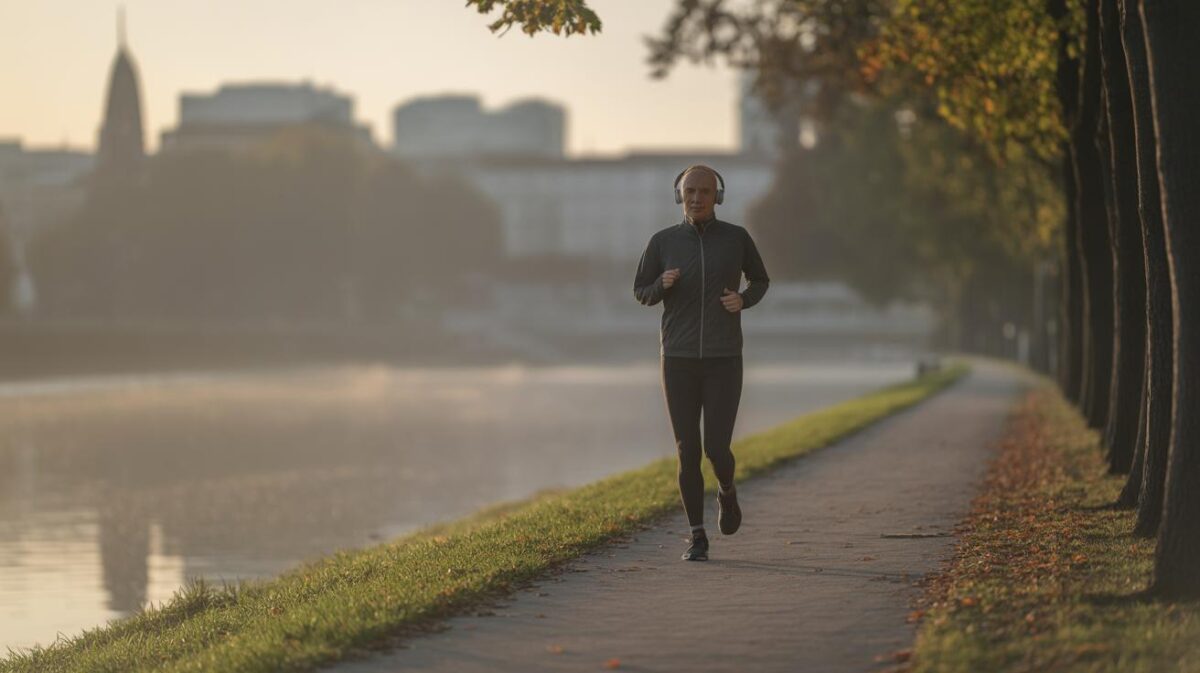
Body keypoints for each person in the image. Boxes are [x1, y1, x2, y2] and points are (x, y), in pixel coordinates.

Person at [632, 164, 770, 561]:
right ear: (680, 195)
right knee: (686, 449)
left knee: (717, 449)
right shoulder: (662, 242)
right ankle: (697, 537)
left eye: (704, 191)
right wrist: (662, 285)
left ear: (718, 196)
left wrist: (743, 299)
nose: (696, 198)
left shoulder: (736, 239)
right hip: (677, 359)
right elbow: (641, 290)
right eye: (690, 191)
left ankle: (727, 492)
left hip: (725, 358)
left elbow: (761, 281)